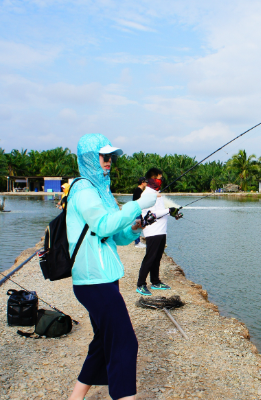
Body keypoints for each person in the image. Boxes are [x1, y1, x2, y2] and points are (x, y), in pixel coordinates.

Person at [66, 133, 157, 400]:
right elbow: (102, 225)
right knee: (125, 343)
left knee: (103, 344)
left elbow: (116, 235)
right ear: (89, 159)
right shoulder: (83, 190)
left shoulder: (101, 191)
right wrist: (138, 204)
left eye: (111, 157)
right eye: (104, 157)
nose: (109, 162)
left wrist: (135, 226)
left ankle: (75, 398)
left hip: (105, 277)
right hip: (92, 280)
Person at [136, 167, 180, 296]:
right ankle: (141, 284)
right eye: (159, 179)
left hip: (161, 231)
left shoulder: (157, 193)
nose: (161, 181)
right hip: (153, 231)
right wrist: (169, 210)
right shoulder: (147, 195)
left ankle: (155, 281)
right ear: (152, 179)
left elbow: (161, 210)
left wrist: (173, 213)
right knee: (150, 258)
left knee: (157, 257)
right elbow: (152, 214)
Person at [132, 177, 147, 247]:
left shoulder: (139, 190)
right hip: (137, 211)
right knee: (138, 226)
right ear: (142, 183)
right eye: (146, 182)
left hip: (138, 211)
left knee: (139, 226)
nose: (146, 184)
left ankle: (138, 242)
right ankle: (137, 243)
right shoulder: (138, 191)